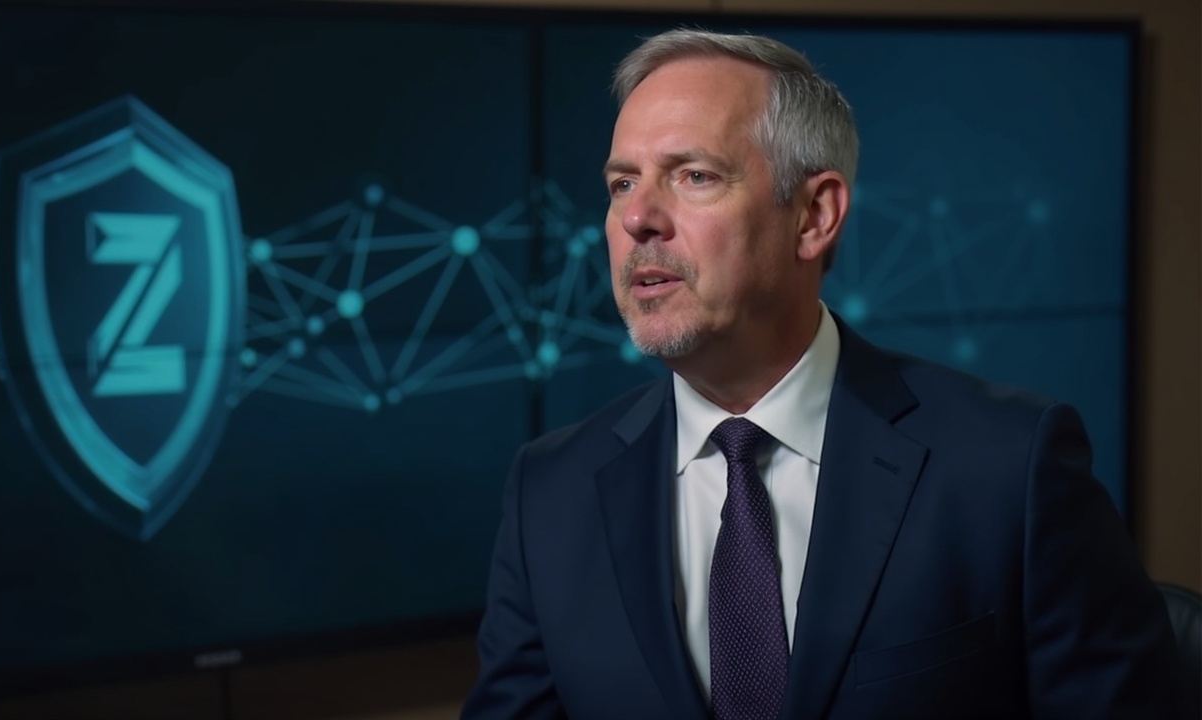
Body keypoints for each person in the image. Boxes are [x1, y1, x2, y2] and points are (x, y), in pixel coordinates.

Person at [460, 28, 1187, 720]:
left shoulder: (1010, 466)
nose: (639, 219)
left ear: (814, 215)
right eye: (622, 184)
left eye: (694, 175)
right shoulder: (548, 493)